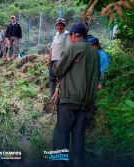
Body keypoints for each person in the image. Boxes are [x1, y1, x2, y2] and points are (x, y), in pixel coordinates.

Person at [52, 22, 100, 167]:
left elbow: (58, 70)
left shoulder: (73, 47)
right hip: (87, 100)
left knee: (62, 132)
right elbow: (96, 75)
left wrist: (54, 65)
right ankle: (77, 162)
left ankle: (61, 163)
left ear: (74, 35)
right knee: (79, 133)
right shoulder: (94, 52)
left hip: (69, 98)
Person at [46, 18, 70, 98]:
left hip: (60, 60)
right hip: (53, 60)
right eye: (58, 25)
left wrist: (64, 60)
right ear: (56, 26)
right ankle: (51, 94)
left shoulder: (66, 35)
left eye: (61, 25)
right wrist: (49, 60)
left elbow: (67, 48)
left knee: (59, 78)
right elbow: (52, 49)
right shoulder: (55, 36)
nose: (59, 27)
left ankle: (60, 95)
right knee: (52, 77)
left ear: (64, 26)